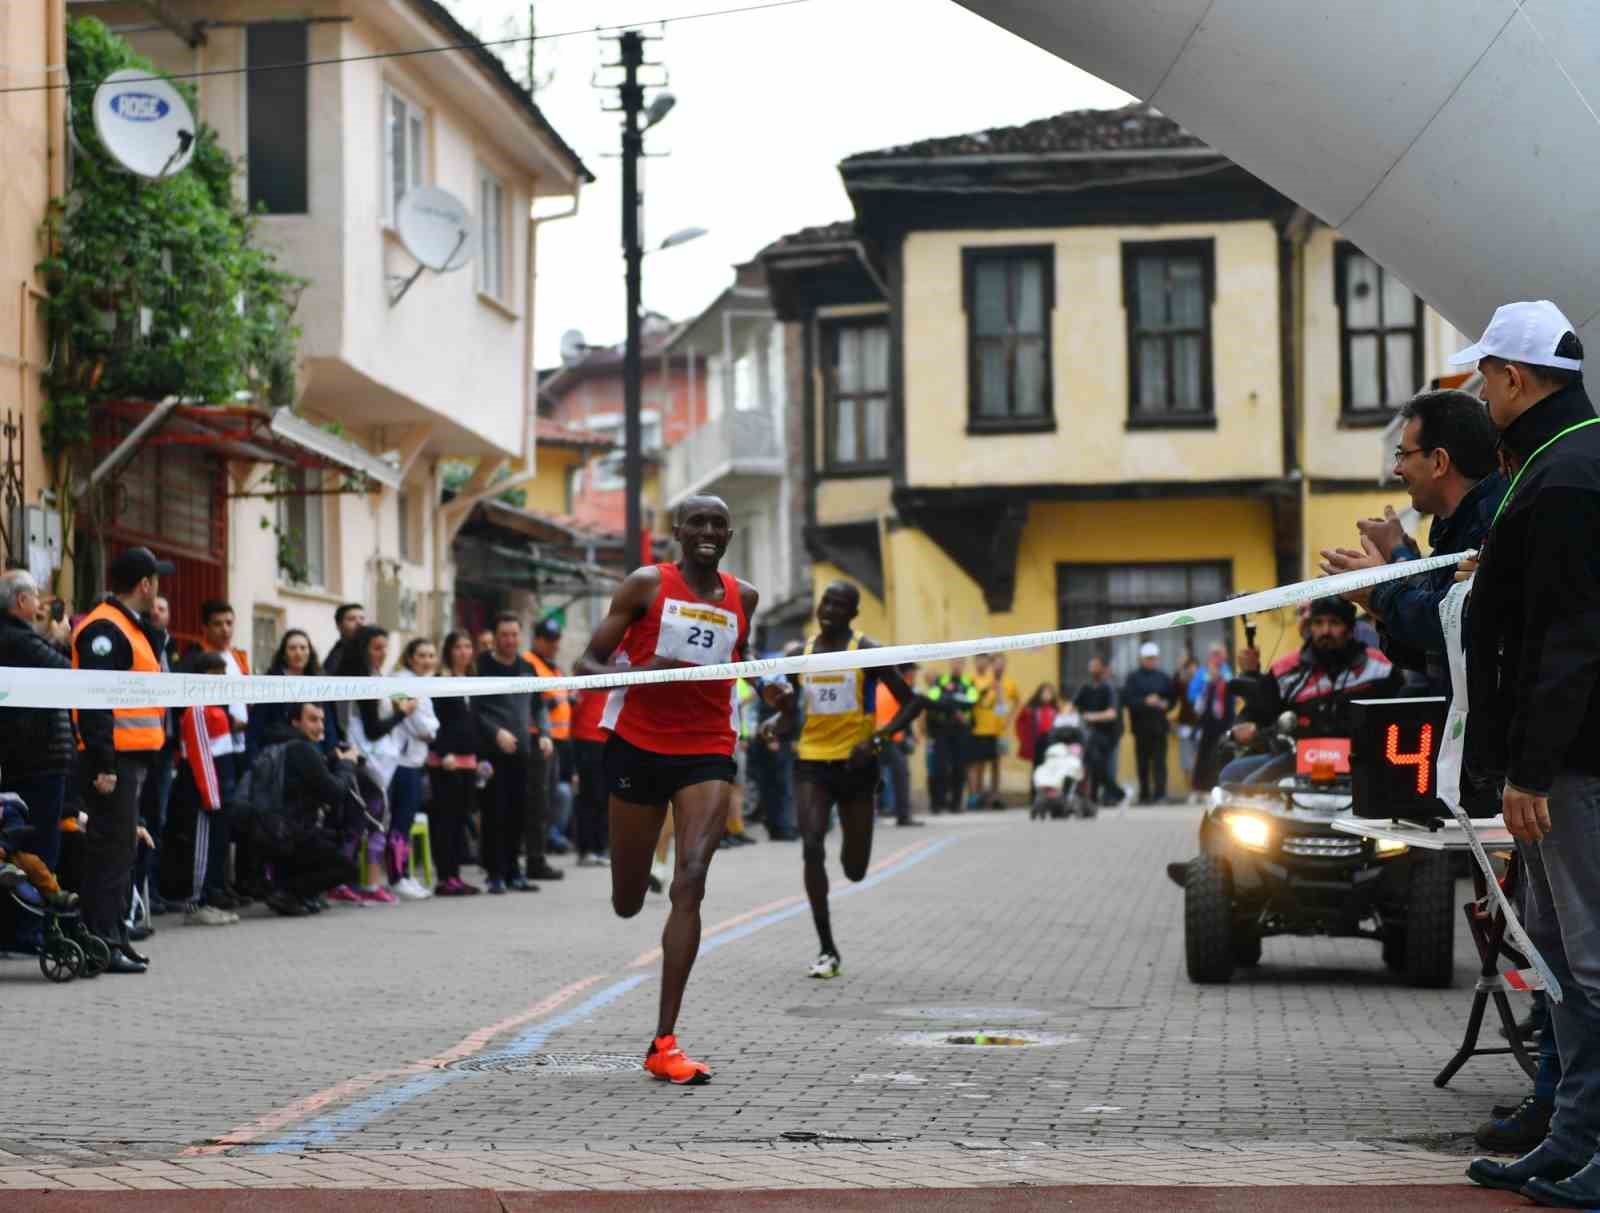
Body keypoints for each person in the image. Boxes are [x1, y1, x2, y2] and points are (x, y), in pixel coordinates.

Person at [1448, 302, 1600, 1205]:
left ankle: (1587, 1143)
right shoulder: (1557, 464)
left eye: (1484, 375)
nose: (1477, 389)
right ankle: (1574, 1135)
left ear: (1513, 377)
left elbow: (1573, 636)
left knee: (1587, 958)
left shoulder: (1570, 474)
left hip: (1572, 764)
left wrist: (1531, 768)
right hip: (1557, 763)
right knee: (1555, 955)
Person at [574, 494, 757, 1084]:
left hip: (706, 748)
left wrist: (768, 687)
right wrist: (621, 675)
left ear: (730, 534)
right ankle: (631, 886)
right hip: (638, 745)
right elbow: (586, 662)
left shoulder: (743, 597)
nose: (708, 531)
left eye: (718, 524)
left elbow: (740, 659)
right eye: (697, 522)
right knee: (627, 899)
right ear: (677, 531)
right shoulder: (646, 585)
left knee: (691, 880)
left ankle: (664, 1042)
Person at [763, 581, 922, 980]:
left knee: (854, 869)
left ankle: (856, 843)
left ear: (853, 613)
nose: (830, 609)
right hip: (812, 763)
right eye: (826, 602)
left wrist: (878, 738)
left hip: (857, 765)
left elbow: (913, 703)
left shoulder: (868, 653)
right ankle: (827, 947)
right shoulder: (798, 655)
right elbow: (791, 713)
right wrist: (774, 724)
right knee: (812, 845)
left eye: (840, 604)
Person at [1320, 388, 1505, 695]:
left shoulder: (1494, 524)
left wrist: (1381, 584)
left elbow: (1451, 623)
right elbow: (1428, 652)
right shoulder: (1454, 529)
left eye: (1403, 454)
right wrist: (1373, 600)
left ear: (1439, 462)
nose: (1397, 469)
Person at [71, 546, 174, 974]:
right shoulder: (105, 630)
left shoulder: (129, 627)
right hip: (115, 762)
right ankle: (101, 940)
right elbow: (96, 703)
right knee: (109, 852)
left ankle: (115, 934)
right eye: (156, 581)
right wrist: (105, 764)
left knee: (121, 851)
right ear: (145, 585)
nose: (158, 589)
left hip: (133, 760)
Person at [1219, 597, 1401, 787]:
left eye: (1334, 623)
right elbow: (1256, 712)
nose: (1325, 631)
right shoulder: (1285, 671)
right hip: (1296, 759)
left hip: (1364, 760)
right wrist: (1244, 727)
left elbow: (1402, 716)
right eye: (1318, 623)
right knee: (1233, 779)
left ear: (1350, 628)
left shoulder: (1380, 668)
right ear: (1310, 627)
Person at [0, 570, 74, 950]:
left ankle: (25, 929)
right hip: (35, 759)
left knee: (31, 845)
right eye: (35, 598)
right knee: (36, 848)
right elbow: (63, 672)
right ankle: (26, 932)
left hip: (34, 756)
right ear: (20, 602)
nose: (41, 605)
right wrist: (59, 641)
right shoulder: (16, 638)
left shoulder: (22, 639)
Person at [255, 703, 361, 916]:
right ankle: (289, 893)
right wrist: (347, 765)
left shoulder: (278, 744)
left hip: (269, 832)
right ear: (295, 722)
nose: (320, 726)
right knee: (348, 869)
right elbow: (335, 792)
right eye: (313, 719)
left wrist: (331, 761)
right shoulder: (301, 748)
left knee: (325, 841)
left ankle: (298, 894)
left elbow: (308, 781)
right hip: (292, 836)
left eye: (322, 720)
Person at [476, 613, 554, 893]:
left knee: (519, 813)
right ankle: (494, 873)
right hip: (491, 752)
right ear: (495, 637)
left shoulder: (526, 668)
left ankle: (514, 871)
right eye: (504, 635)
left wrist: (544, 734)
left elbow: (539, 706)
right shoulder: (482, 666)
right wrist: (495, 732)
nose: (509, 640)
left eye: (513, 635)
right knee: (495, 812)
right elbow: (474, 709)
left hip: (521, 752)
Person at [342, 624, 414, 905]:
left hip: (380, 762)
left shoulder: (377, 677)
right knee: (368, 823)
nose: (382, 653)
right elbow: (373, 728)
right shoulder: (363, 682)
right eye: (376, 647)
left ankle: (367, 883)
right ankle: (360, 883)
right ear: (363, 649)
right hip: (369, 763)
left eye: (386, 647)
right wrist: (402, 714)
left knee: (370, 823)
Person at [166, 652, 238, 927]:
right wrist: (211, 796)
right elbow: (200, 756)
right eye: (213, 674)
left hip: (221, 791)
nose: (220, 679)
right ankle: (196, 902)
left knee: (216, 847)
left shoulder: (218, 708)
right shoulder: (197, 709)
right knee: (202, 848)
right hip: (205, 794)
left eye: (222, 673)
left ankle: (210, 898)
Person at [429, 631, 485, 896]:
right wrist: (442, 752)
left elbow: (474, 723)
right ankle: (444, 877)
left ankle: (455, 875)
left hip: (468, 761)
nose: (463, 652)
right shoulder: (439, 681)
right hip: (446, 762)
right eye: (458, 647)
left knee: (461, 819)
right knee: (445, 820)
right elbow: (433, 720)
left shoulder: (472, 682)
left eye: (467, 646)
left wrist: (481, 758)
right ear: (449, 651)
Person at [385, 638, 440, 900]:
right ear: (410, 657)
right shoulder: (399, 681)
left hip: (416, 761)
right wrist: (428, 728)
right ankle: (397, 877)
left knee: (405, 822)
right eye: (422, 655)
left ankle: (404, 874)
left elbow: (433, 722)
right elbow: (417, 723)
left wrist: (429, 727)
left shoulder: (424, 684)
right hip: (401, 763)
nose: (427, 660)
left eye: (431, 655)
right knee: (400, 821)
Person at [525, 617, 577, 857]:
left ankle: (546, 841)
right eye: (549, 639)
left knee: (554, 795)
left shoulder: (552, 666)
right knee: (539, 798)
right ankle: (536, 849)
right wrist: (553, 701)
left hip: (559, 740)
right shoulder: (529, 662)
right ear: (536, 639)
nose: (555, 644)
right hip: (538, 738)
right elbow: (530, 701)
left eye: (557, 639)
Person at [1122, 643, 1177, 805]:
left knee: (1160, 762)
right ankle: (1144, 795)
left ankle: (1160, 794)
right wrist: (1145, 701)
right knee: (1142, 762)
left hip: (1159, 726)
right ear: (1142, 659)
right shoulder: (1133, 678)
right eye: (1148, 659)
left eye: (1153, 659)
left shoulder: (1164, 678)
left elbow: (1172, 699)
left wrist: (1165, 704)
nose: (1151, 662)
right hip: (1140, 727)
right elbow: (1127, 700)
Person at [925, 659, 977, 813]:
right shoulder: (941, 680)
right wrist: (954, 706)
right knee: (939, 767)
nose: (956, 665)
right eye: (955, 662)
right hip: (942, 729)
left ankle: (956, 803)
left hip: (960, 730)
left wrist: (949, 699)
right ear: (950, 663)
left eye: (960, 663)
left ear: (964, 665)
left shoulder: (968, 682)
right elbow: (933, 698)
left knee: (959, 767)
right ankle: (938, 803)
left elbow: (972, 700)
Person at [968, 654, 1019, 810]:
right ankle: (977, 796)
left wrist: (1009, 720)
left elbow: (1016, 701)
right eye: (996, 664)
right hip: (978, 729)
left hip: (998, 731)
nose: (999, 667)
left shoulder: (1008, 683)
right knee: (978, 764)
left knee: (996, 763)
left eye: (1002, 664)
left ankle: (994, 796)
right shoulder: (980, 681)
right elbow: (974, 700)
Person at [874, 663, 921, 827]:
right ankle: (903, 815)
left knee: (873, 776)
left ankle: (869, 815)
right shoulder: (900, 688)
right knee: (901, 775)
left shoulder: (878, 688)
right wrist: (912, 736)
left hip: (876, 737)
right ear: (906, 674)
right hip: (890, 738)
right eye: (913, 674)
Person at [1074, 656, 1124, 805]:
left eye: (1096, 666)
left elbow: (1112, 713)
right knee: (1093, 763)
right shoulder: (1086, 688)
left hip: (1109, 735)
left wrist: (1091, 716)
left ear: (1103, 669)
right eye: (1091, 666)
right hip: (1092, 735)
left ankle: (1112, 795)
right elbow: (1073, 705)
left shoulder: (1109, 687)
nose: (1092, 669)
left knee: (1106, 767)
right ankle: (1096, 797)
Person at [570, 683, 611, 868]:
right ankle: (586, 849)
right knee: (589, 796)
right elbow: (576, 708)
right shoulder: (590, 672)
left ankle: (601, 847)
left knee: (604, 797)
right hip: (587, 739)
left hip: (607, 739)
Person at [1188, 645, 1235, 794]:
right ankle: (1201, 787)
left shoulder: (1227, 672)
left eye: (1220, 654)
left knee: (1223, 753)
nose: (1217, 658)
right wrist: (1207, 686)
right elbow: (1192, 694)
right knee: (1204, 754)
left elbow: (1233, 695)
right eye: (1215, 654)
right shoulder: (1203, 672)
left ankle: (1221, 784)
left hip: (1225, 722)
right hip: (1207, 722)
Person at [1014, 683, 1060, 769]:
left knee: (1050, 765)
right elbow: (1020, 722)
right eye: (1044, 693)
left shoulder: (1055, 709)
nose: (1047, 695)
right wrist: (1023, 738)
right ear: (1039, 694)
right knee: (1037, 767)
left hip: (1051, 740)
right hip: (1037, 740)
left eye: (1049, 693)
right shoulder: (1031, 708)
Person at [1173, 655, 1201, 794]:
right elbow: (1173, 687)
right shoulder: (1182, 684)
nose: (1192, 670)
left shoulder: (1204, 683)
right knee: (1186, 761)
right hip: (1185, 725)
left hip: (1201, 726)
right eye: (1189, 668)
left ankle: (1201, 789)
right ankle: (1190, 790)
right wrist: (1179, 668)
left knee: (1201, 759)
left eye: (1195, 667)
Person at [323, 603, 365, 684]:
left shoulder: (371, 647)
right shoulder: (336, 654)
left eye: (362, 618)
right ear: (339, 625)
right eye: (352, 619)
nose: (359, 622)